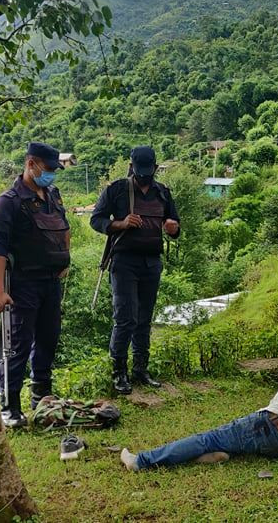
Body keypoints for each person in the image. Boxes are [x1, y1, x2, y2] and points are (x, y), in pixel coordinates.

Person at [120, 324, 278, 470]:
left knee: (208, 437)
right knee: (235, 441)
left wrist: (266, 413)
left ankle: (141, 461)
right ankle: (221, 454)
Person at [0, 142, 71, 428]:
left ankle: (42, 398)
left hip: (50, 282)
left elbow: (64, 227)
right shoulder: (8, 202)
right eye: (48, 169)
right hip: (22, 283)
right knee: (16, 345)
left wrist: (63, 261)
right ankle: (9, 407)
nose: (51, 175)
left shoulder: (52, 194)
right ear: (31, 163)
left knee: (49, 338)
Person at [90, 146, 180, 395]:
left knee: (144, 318)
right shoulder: (116, 189)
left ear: (155, 167)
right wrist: (121, 223)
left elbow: (174, 224)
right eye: (140, 171)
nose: (144, 175)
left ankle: (141, 370)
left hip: (152, 262)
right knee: (125, 318)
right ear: (132, 166)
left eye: (148, 171)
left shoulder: (163, 193)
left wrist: (173, 228)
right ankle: (119, 373)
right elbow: (96, 220)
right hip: (124, 262)